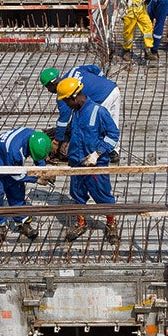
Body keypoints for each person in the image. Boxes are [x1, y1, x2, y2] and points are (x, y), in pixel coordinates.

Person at [57, 78, 121, 244]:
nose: (65, 104)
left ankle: (111, 224)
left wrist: (98, 153)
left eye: (66, 100)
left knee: (103, 195)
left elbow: (113, 134)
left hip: (95, 165)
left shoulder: (99, 112)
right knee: (77, 194)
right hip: (77, 162)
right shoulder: (76, 112)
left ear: (74, 97)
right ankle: (81, 223)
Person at [0, 129, 52, 242]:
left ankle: (22, 222)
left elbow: (38, 156)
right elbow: (17, 175)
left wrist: (43, 170)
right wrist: (36, 179)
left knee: (17, 192)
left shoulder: (35, 138)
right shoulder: (15, 153)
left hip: (8, 160)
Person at [40, 66, 120, 140]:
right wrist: (103, 80)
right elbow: (94, 68)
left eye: (47, 87)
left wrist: (58, 140)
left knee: (95, 127)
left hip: (102, 98)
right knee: (113, 124)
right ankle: (115, 150)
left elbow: (63, 120)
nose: (48, 91)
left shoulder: (63, 93)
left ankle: (102, 151)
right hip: (113, 88)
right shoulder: (74, 70)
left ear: (51, 84)